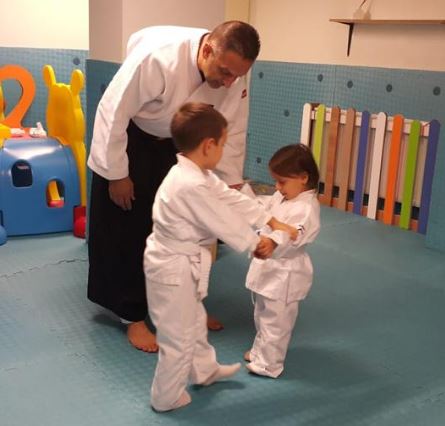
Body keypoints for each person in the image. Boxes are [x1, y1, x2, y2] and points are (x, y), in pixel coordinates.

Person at [87, 21, 261, 352]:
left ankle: (187, 308)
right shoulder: (158, 58)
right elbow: (113, 112)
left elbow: (232, 131)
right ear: (207, 49)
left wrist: (230, 184)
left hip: (178, 142)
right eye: (224, 72)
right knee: (127, 229)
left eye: (236, 76)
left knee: (182, 229)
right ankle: (131, 316)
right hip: (133, 139)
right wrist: (117, 174)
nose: (228, 82)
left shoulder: (234, 76)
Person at [144, 102, 296, 412]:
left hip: (179, 261)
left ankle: (204, 370)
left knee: (193, 320)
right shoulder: (189, 184)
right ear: (208, 145)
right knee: (177, 335)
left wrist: (268, 220)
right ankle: (166, 397)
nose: (224, 151)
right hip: (171, 266)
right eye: (223, 145)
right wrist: (255, 243)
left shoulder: (196, 173)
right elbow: (221, 220)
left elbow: (229, 197)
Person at [244, 143, 321, 378]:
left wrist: (273, 242)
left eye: (282, 182)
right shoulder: (283, 196)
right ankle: (260, 352)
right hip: (269, 269)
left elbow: (293, 233)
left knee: (276, 323)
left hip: (286, 274)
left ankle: (269, 364)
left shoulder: (306, 208)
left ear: (303, 178)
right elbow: (266, 207)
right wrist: (246, 198)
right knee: (261, 315)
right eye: (275, 181)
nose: (277, 187)